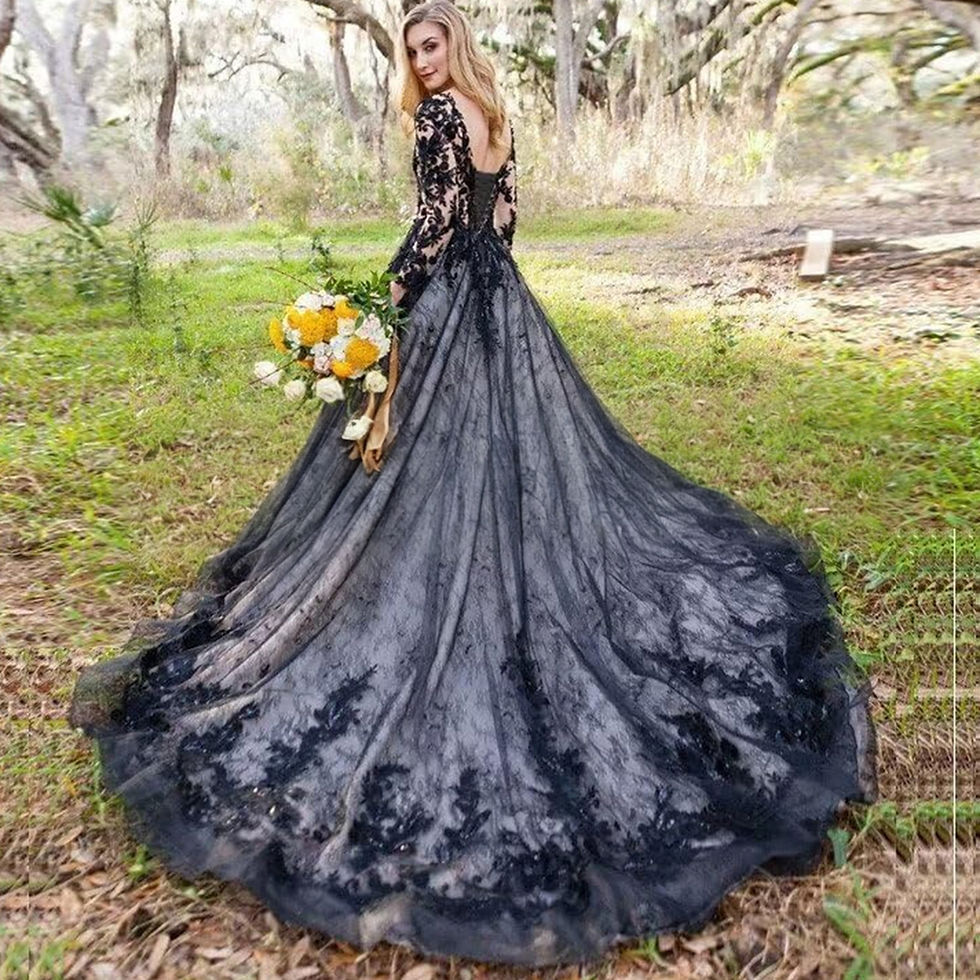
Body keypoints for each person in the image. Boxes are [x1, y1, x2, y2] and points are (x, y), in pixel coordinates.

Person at [68, 0, 877, 967]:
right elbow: (504, 217)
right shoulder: (495, 111)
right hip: (503, 300)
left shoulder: (445, 115)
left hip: (451, 298)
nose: (423, 59)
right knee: (497, 458)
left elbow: (437, 222)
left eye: (433, 42)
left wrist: (381, 309)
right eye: (412, 48)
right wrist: (472, 282)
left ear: (455, 43)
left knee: (419, 456)